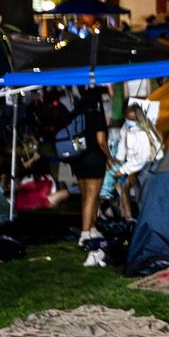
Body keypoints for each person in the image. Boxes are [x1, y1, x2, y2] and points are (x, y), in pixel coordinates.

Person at [68, 89, 113, 243]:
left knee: (86, 197)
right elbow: (101, 140)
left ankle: (92, 228)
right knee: (92, 198)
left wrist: (82, 154)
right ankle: (85, 233)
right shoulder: (97, 111)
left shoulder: (77, 111)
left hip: (80, 159)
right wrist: (109, 157)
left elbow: (76, 138)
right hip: (95, 158)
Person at [106, 103, 160, 222]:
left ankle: (150, 222)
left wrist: (123, 170)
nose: (128, 121)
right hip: (139, 164)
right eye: (127, 119)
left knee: (147, 194)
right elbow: (122, 143)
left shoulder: (143, 133)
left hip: (151, 164)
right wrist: (119, 160)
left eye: (131, 120)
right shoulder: (126, 127)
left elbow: (141, 158)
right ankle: (143, 221)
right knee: (139, 192)